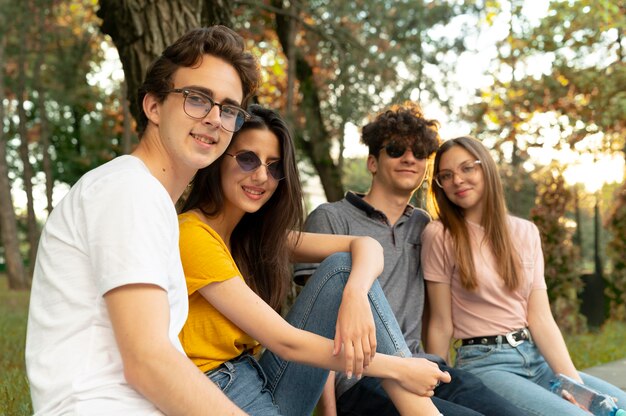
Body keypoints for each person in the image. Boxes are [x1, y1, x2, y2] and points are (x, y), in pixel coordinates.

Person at [25, 26, 260, 415]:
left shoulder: (144, 196)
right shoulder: (128, 190)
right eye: (198, 99)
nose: (215, 119)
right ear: (153, 107)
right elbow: (147, 362)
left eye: (229, 109)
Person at [177, 104, 451, 416]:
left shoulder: (252, 238)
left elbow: (366, 245)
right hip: (217, 390)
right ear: (218, 159)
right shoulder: (192, 235)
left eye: (275, 166)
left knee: (343, 270)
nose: (261, 176)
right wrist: (400, 369)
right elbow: (285, 343)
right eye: (247, 159)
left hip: (258, 377)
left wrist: (355, 294)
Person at [295, 103, 526, 416]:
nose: (409, 158)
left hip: (422, 367)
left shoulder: (424, 226)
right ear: (372, 162)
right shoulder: (331, 218)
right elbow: (314, 324)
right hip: (362, 379)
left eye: (419, 152)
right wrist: (330, 411)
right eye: (395, 149)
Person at [422, 135, 626, 415]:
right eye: (446, 175)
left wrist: (577, 388)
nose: (457, 180)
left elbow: (540, 318)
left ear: (486, 169)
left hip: (535, 357)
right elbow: (440, 323)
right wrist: (441, 388)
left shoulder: (525, 232)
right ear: (440, 185)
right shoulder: (440, 235)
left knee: (617, 408)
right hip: (485, 364)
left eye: (467, 168)